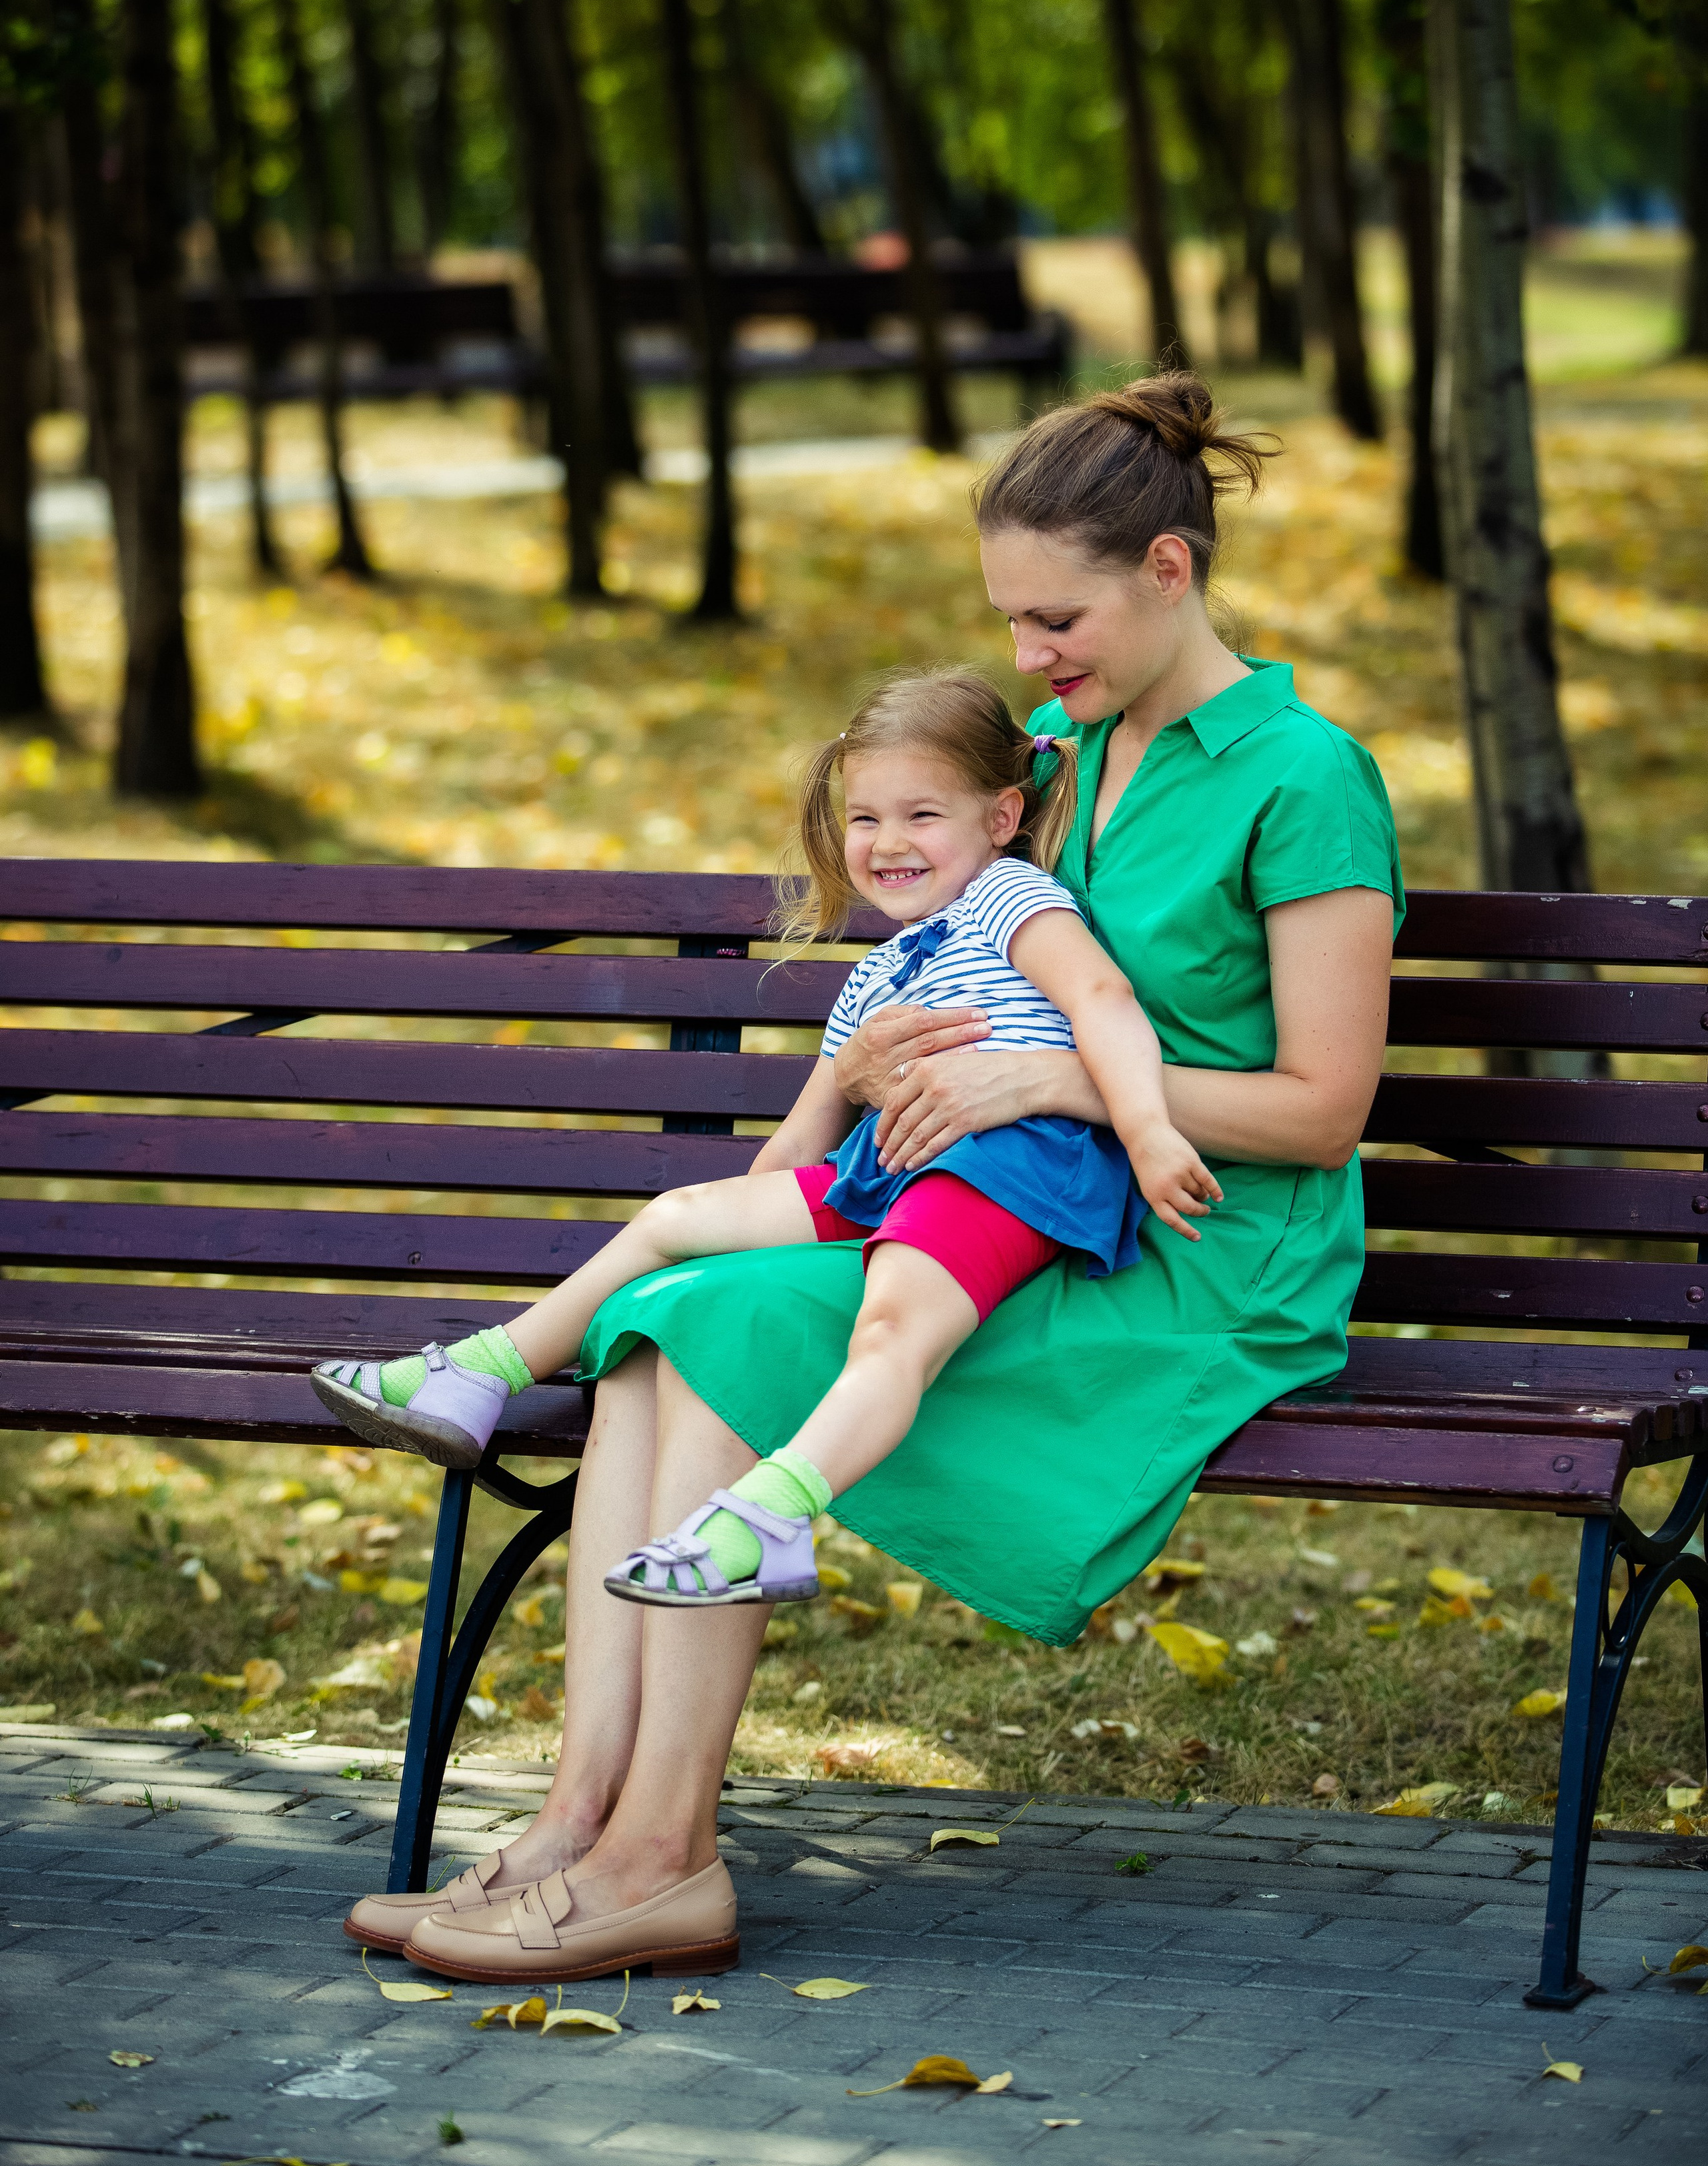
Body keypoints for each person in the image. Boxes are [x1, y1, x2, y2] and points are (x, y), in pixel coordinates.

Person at [342, 370, 1403, 1990]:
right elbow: (954, 948)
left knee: (720, 1323)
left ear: (1169, 574)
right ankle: (580, 1824)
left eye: (1056, 618)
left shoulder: (1300, 776)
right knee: (675, 1306)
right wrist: (882, 1065)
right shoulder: (1054, 752)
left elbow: (1323, 1113)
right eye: (1009, 617)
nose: (1029, 656)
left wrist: (1047, 1078)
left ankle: (656, 1858)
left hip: (1195, 1248)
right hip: (997, 1204)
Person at [314, 668, 1219, 1624]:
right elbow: (795, 1157)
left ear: (1001, 817)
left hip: (1012, 1162)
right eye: (865, 818)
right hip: (895, 1173)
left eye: (921, 814)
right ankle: (480, 1375)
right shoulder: (875, 978)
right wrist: (771, 1190)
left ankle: (772, 1513)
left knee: (891, 1332)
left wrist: (1148, 1130)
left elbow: (1102, 1001)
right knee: (679, 1218)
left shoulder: (1008, 897)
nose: (889, 843)